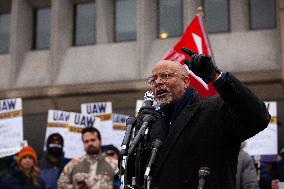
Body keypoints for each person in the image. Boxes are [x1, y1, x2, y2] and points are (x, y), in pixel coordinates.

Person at [135, 48, 271, 189]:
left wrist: (216, 77)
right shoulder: (150, 124)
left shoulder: (215, 110)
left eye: (165, 76)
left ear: (186, 82)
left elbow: (258, 117)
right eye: (153, 79)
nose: (158, 82)